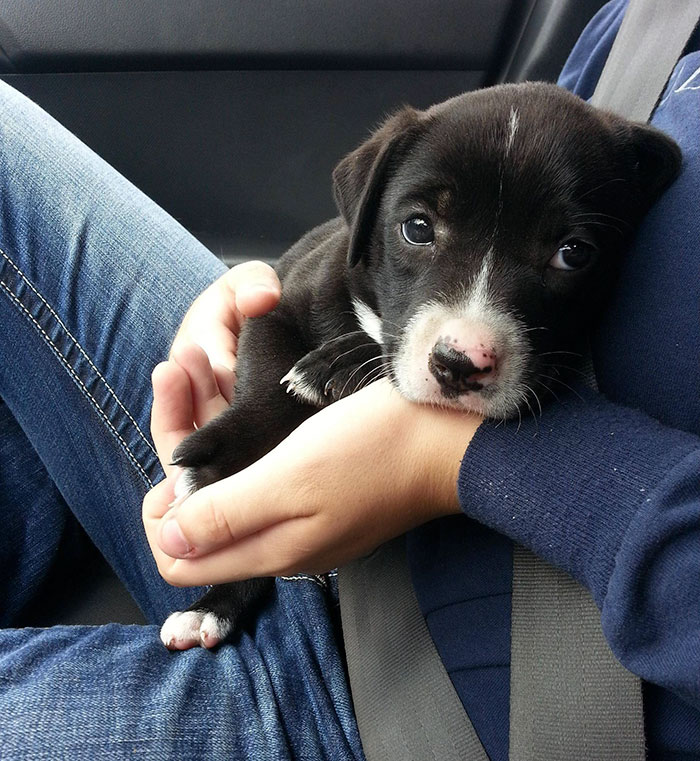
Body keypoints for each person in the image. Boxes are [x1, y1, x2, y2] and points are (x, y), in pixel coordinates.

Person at [0, 0, 698, 758]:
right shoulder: (655, 18)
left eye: (569, 251)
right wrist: (250, 294)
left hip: (416, 701)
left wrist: (439, 455)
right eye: (421, 228)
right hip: (349, 447)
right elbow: (513, 165)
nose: (469, 338)